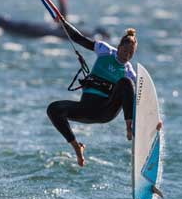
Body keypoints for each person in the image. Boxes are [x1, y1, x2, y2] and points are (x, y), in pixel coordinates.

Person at [46, 23, 138, 167]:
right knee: (53, 109)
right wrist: (63, 22)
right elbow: (78, 38)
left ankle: (129, 127)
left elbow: (139, 95)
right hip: (86, 108)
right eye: (125, 51)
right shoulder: (104, 51)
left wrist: (152, 119)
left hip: (106, 110)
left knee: (126, 83)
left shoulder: (129, 71)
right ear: (119, 47)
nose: (127, 55)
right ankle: (76, 146)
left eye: (131, 54)